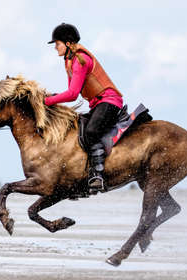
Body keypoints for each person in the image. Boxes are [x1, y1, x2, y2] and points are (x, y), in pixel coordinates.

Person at [45, 23, 124, 192]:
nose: (55, 48)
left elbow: (73, 94)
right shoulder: (69, 61)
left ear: (67, 44)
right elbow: (69, 91)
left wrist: (48, 102)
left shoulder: (81, 60)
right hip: (98, 104)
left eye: (57, 44)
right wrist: (52, 98)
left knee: (90, 131)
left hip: (109, 101)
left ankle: (98, 175)